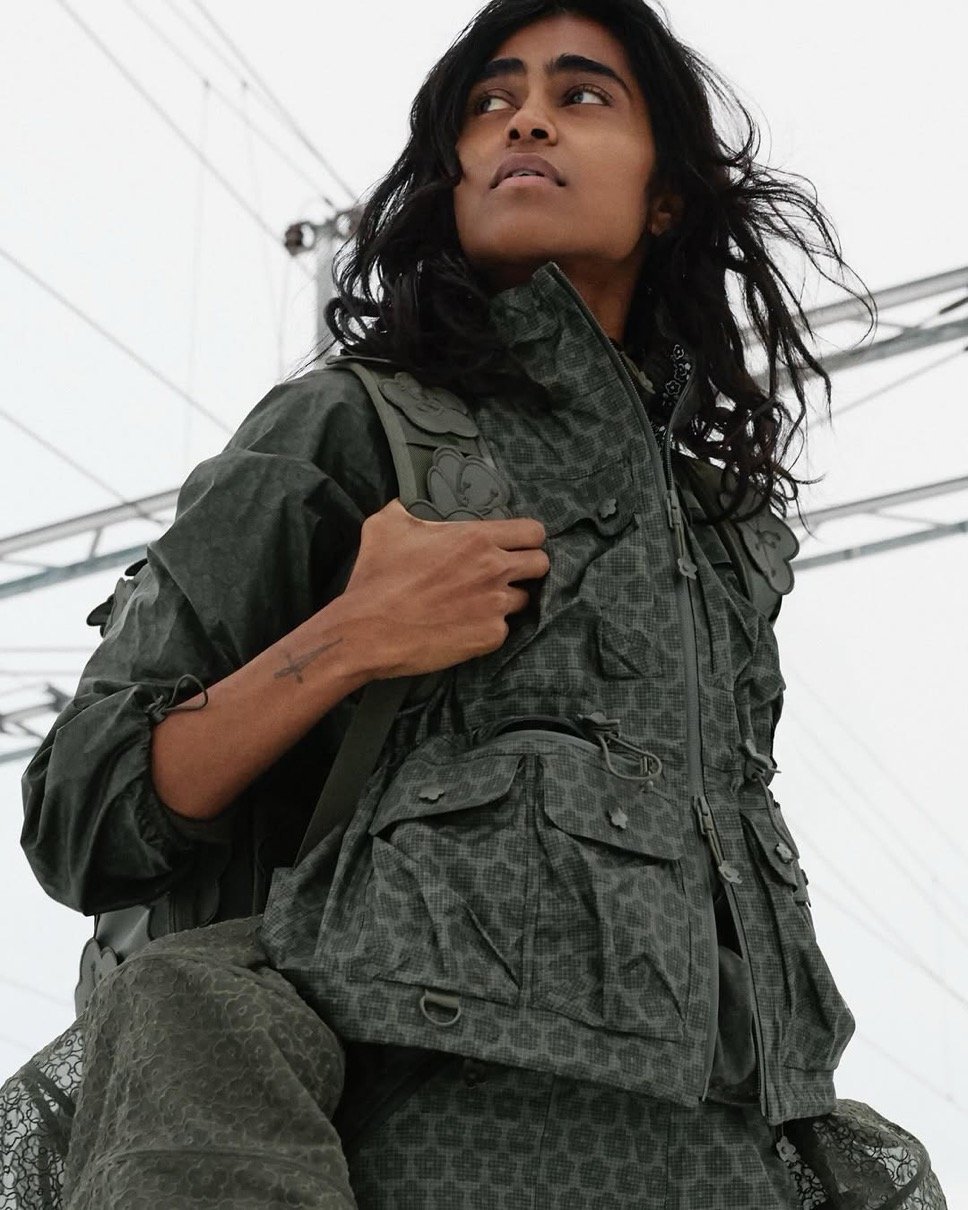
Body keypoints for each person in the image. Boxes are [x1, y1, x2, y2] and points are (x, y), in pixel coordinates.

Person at [12, 1, 947, 1207]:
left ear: (665, 196)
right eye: (489, 103)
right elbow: (82, 814)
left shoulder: (725, 538)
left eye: (581, 95)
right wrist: (349, 636)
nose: (526, 122)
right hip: (399, 1154)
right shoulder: (346, 428)